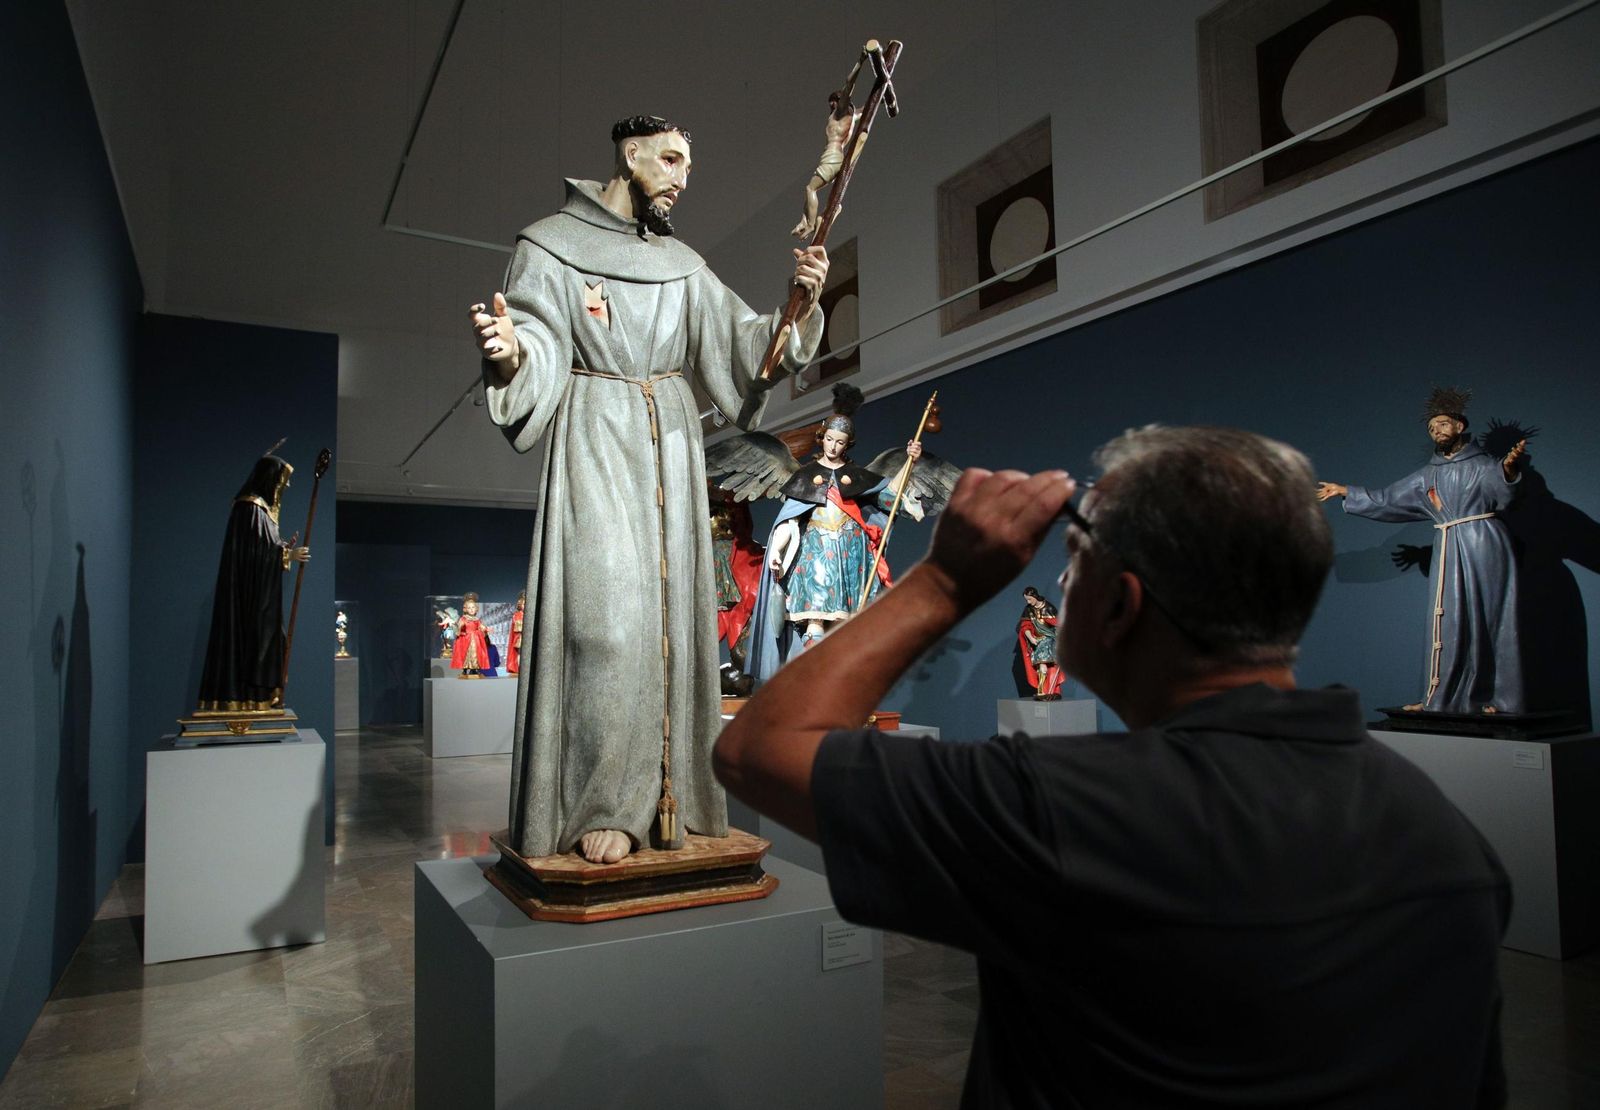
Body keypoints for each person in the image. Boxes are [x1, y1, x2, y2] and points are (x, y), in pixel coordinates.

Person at [716, 425, 1509, 1108]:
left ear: (1121, 605)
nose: (1059, 585)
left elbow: (757, 749)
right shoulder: (1452, 845)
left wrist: (949, 579)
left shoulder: (1059, 811)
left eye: (1072, 560)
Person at [469, 115, 828, 864]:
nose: (681, 176)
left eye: (689, 165)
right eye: (670, 159)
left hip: (669, 441)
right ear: (628, 157)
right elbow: (533, 336)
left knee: (670, 623)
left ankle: (673, 798)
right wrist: (510, 357)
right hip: (595, 433)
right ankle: (601, 803)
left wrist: (797, 307)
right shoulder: (548, 245)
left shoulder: (684, 265)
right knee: (604, 625)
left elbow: (740, 347)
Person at [1317, 387, 1526, 714]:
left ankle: (1503, 701)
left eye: (1442, 424)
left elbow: (1503, 494)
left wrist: (1509, 471)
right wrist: (1346, 491)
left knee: (1494, 618)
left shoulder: (1484, 465)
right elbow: (1388, 499)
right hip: (1450, 544)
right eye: (1431, 428)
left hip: (1485, 542)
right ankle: (1439, 699)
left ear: (1459, 425)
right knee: (1448, 622)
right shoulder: (1428, 474)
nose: (1437, 431)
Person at [196, 452, 311, 712]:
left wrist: (281, 548)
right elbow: (254, 557)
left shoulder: (259, 511)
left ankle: (258, 698)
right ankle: (248, 699)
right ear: (270, 479)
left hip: (259, 598)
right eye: (283, 480)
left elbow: (260, 549)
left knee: (272, 642)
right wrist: (285, 554)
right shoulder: (251, 508)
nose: (287, 486)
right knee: (258, 644)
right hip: (250, 602)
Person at [1016, 585, 1062, 699]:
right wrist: (1031, 638)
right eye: (1026, 600)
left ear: (1035, 596)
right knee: (1040, 665)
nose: (1028, 602)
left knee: (1043, 663)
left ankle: (1045, 690)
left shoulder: (1049, 608)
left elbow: (1058, 625)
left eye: (1030, 599)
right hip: (1036, 641)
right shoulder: (1029, 609)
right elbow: (1024, 626)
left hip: (1049, 639)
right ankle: (1044, 690)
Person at [451, 592, 490, 678]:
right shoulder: (464, 618)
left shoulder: (477, 619)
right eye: (469, 608)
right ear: (465, 609)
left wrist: (485, 629)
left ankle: (474, 669)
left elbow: (481, 626)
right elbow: (459, 627)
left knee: (475, 653)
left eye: (473, 607)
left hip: (476, 640)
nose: (471, 609)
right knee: (466, 654)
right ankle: (465, 670)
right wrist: (461, 626)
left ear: (476, 609)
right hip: (466, 639)